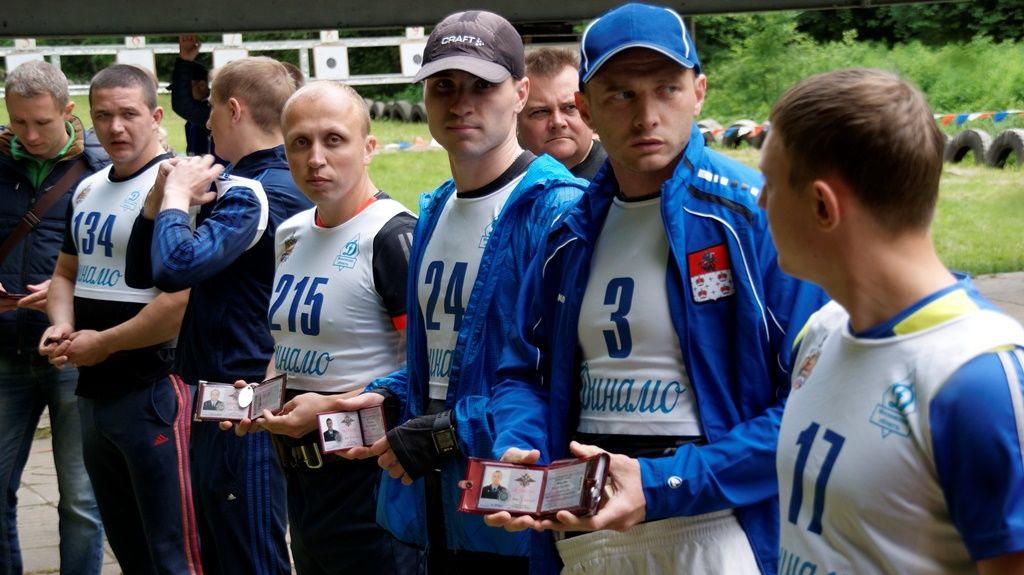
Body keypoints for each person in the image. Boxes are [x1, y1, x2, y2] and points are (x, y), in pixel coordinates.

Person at [486, 4, 827, 574]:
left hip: (718, 527)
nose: (646, 116)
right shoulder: (566, 234)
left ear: (699, 93)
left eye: (666, 89)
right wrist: (519, 449)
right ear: (587, 108)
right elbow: (523, 371)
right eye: (621, 94)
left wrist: (664, 482)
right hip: (586, 532)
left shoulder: (755, 215)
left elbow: (816, 402)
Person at [334, 9, 586, 574]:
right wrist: (378, 398)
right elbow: (446, 364)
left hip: (514, 519)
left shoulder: (557, 211)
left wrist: (449, 433)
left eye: (482, 85)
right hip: (434, 510)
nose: (461, 103)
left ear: (520, 93)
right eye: (443, 85)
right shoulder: (435, 208)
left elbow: (563, 380)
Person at [759, 68, 1024, 575]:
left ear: (822, 205)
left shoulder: (976, 377)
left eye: (770, 184)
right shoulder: (821, 332)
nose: (759, 201)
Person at [125, 56, 310, 575]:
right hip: (230, 394)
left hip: (244, 399)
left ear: (233, 109)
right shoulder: (247, 182)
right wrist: (158, 202)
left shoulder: (255, 192)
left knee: (247, 554)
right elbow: (142, 272)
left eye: (209, 109)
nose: (205, 122)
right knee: (229, 549)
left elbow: (173, 268)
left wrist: (176, 198)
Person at [228, 81, 422, 575]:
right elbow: (287, 346)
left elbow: (425, 373)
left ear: (369, 147)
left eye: (334, 139)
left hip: (370, 482)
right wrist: (262, 400)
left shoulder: (394, 235)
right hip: (302, 482)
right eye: (300, 142)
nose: (316, 158)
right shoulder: (290, 233)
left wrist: (327, 409)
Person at [38, 63, 199, 574]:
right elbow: (65, 273)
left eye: (128, 114)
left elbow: (181, 303)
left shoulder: (179, 186)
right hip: (93, 393)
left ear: (155, 116)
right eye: (103, 116)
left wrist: (104, 342)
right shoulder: (86, 189)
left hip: (155, 390)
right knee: (130, 550)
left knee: (175, 553)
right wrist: (61, 324)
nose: (115, 127)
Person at [0, 59, 106, 575]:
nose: (29, 134)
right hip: (3, 350)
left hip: (72, 352)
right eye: (18, 121)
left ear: (68, 111)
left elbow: (125, 266)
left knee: (82, 500)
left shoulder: (104, 170)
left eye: (41, 122)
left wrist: (69, 292)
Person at [518, 48, 606, 180]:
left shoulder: (623, 178)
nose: (558, 122)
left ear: (589, 111)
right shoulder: (506, 185)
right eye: (540, 112)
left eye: (570, 107)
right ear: (516, 120)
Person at [171, 34, 213, 156]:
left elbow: (183, 105)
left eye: (186, 87)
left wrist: (185, 62)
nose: (183, 91)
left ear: (202, 85)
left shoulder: (212, 112)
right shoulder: (199, 115)